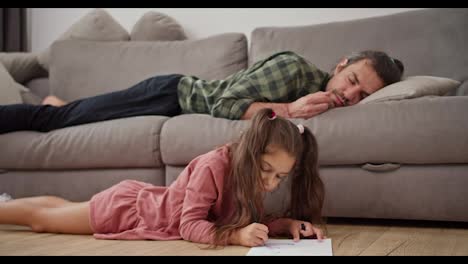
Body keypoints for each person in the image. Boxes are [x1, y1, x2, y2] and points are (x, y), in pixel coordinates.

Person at [0, 108, 325, 247]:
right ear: (252, 152)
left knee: (59, 208)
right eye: (266, 171)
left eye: (280, 177)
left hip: (142, 199)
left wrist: (283, 225)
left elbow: (234, 215)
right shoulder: (214, 165)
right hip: (128, 210)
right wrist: (236, 238)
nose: (270, 183)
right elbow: (189, 225)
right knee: (42, 220)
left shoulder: (247, 174)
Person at [0, 50, 404, 134]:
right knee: (53, 122)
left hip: (172, 106)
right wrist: (289, 109)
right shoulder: (294, 70)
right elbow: (225, 104)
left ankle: (63, 102)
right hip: (169, 94)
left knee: (77, 112)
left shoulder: (336, 103)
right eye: (351, 81)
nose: (350, 96)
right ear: (340, 65)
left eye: (361, 96)